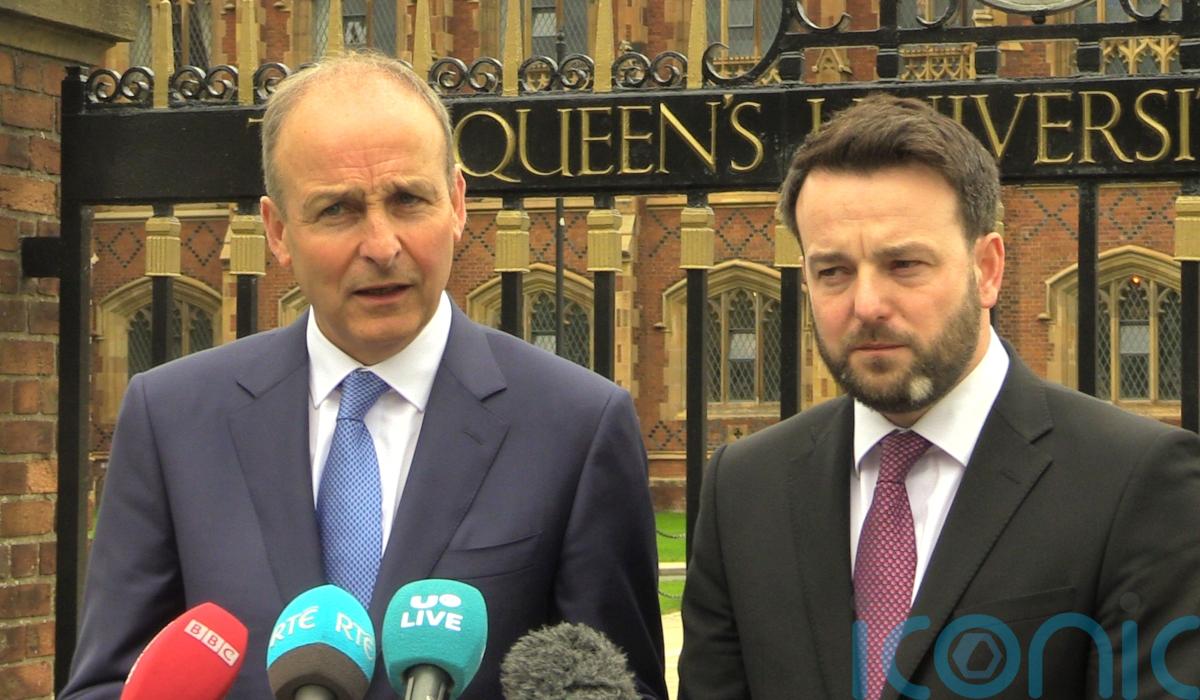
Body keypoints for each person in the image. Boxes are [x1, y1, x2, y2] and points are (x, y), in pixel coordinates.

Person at [62, 53, 667, 700]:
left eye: (408, 200)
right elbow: (109, 685)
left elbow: (616, 686)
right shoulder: (171, 417)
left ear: (457, 204)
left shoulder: (576, 425)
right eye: (337, 210)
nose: (381, 246)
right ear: (277, 231)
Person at [677, 94, 1200, 698]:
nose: (866, 305)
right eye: (833, 271)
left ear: (988, 269)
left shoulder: (1136, 480)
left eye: (904, 264)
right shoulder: (744, 486)